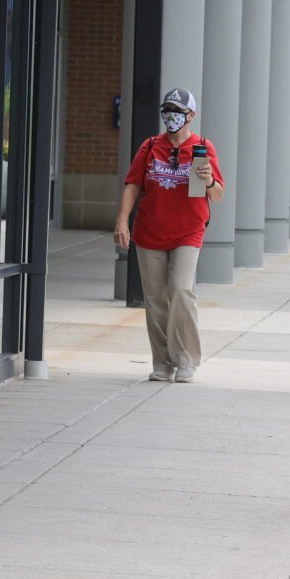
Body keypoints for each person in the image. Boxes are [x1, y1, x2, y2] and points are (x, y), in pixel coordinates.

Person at [114, 88, 225, 383]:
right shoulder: (150, 146)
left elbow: (217, 195)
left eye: (178, 111)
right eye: (167, 110)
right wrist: (122, 221)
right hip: (150, 232)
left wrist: (209, 179)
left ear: (191, 115)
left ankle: (186, 358)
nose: (171, 116)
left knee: (180, 290)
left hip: (188, 232)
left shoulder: (202, 147)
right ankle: (163, 362)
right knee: (156, 299)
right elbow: (132, 185)